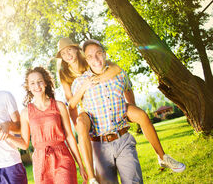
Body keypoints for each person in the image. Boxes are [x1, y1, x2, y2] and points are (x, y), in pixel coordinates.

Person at [57, 38, 185, 176]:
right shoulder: (65, 73)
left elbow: (117, 71)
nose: (67, 54)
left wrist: (131, 106)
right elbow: (71, 104)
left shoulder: (91, 58)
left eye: (69, 49)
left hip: (112, 100)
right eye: (63, 53)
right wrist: (81, 128)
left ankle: (162, 156)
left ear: (77, 50)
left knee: (141, 115)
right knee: (82, 124)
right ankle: (92, 176)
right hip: (89, 108)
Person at [72, 39, 143, 183]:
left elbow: (128, 89)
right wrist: (81, 128)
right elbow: (73, 106)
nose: (96, 59)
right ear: (86, 59)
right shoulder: (79, 83)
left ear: (104, 54)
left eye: (98, 53)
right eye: (90, 56)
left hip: (123, 139)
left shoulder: (119, 73)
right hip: (99, 146)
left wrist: (131, 108)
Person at [6, 67, 87, 184]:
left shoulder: (59, 106)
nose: (37, 86)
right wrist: (7, 136)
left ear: (45, 83)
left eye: (39, 81)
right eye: (32, 83)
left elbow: (69, 136)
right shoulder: (25, 113)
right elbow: (24, 144)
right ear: (28, 87)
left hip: (62, 157)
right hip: (40, 161)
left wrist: (81, 165)